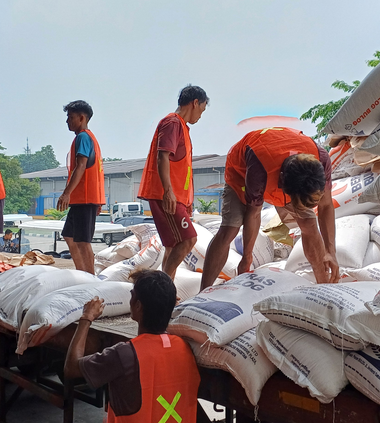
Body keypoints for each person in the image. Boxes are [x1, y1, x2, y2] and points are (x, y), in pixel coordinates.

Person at [200, 127, 339, 290]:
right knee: (230, 228)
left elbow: (326, 206)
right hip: (241, 170)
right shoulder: (259, 169)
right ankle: (203, 291)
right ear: (283, 187)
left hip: (287, 173)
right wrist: (246, 257)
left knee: (309, 223)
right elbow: (253, 214)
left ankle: (324, 286)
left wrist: (331, 252)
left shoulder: (321, 160)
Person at [64, 269, 200, 423]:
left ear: (138, 306)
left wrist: (86, 318)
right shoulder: (185, 349)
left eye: (132, 296)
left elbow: (71, 368)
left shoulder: (124, 354)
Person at [138, 85, 209, 279]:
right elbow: (163, 157)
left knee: (172, 245)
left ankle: (166, 286)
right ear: (195, 103)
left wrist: (187, 199)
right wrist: (168, 191)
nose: (200, 116)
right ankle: (164, 286)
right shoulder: (172, 123)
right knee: (189, 240)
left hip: (177, 196)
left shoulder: (183, 128)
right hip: (166, 195)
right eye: (201, 110)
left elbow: (182, 169)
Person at [57, 100, 105, 274]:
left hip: (84, 199)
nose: (67, 121)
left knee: (83, 241)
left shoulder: (83, 137)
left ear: (82, 117)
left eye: (70, 117)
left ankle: (89, 278)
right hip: (81, 199)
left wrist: (66, 193)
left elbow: (81, 165)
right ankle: (81, 272)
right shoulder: (86, 138)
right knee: (69, 236)